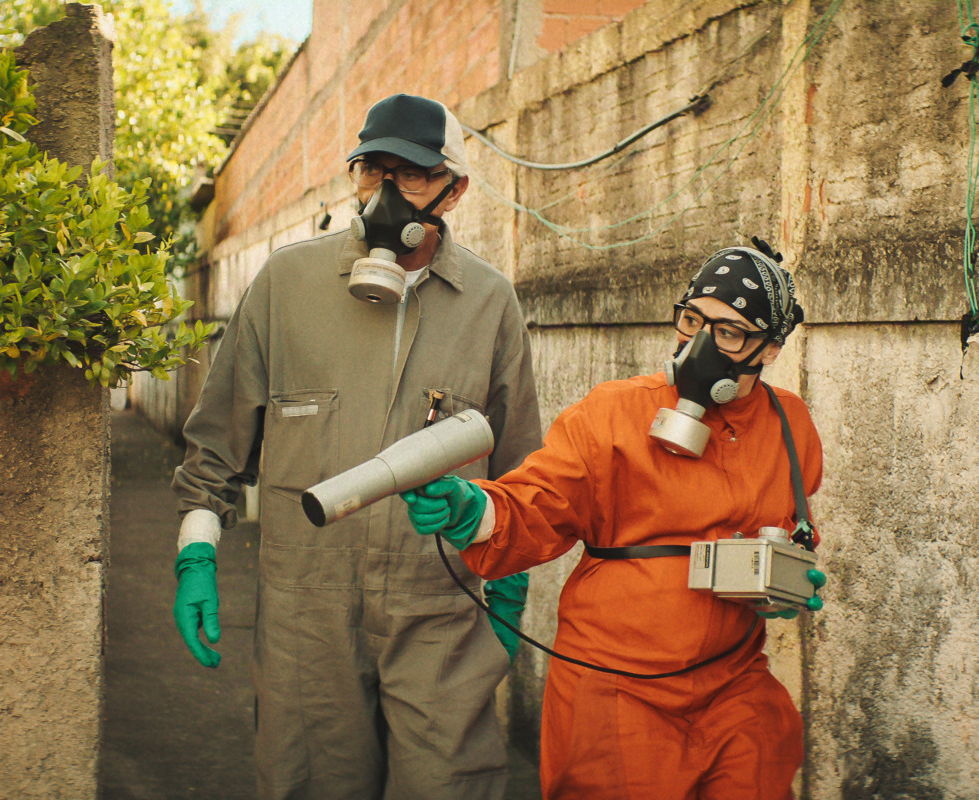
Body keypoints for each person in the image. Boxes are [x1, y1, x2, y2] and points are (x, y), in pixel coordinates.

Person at [170, 93, 543, 800]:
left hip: (440, 615)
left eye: (412, 176)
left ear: (455, 190)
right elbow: (215, 444)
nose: (387, 194)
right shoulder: (288, 284)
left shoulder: (491, 304)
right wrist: (195, 553)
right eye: (373, 171)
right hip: (305, 618)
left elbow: (525, 474)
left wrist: (511, 600)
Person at [402, 246, 827, 799]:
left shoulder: (789, 423)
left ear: (769, 349)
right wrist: (473, 510)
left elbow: (792, 529)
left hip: (734, 686)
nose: (699, 344)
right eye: (692, 319)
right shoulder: (613, 413)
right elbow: (538, 502)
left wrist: (788, 584)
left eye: (730, 332)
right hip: (617, 690)